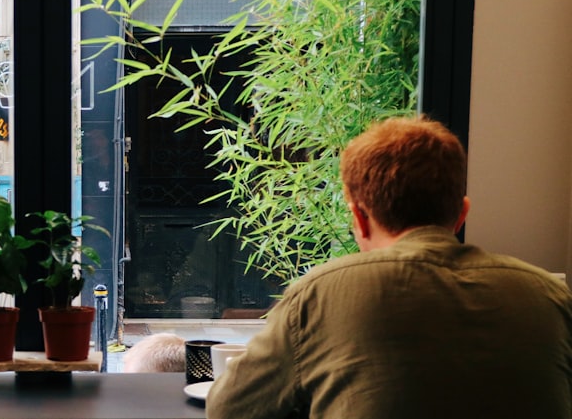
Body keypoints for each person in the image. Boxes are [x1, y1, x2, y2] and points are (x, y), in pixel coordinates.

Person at [206, 115, 572, 419]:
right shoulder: (548, 295)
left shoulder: (321, 293)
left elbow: (228, 408)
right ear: (461, 214)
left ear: (359, 219)